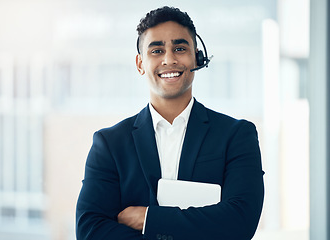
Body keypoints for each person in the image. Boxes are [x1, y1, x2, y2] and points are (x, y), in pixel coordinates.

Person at [76, 6, 264, 240]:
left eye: (179, 48)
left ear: (197, 56)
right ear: (140, 64)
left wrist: (148, 219)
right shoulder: (109, 144)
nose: (169, 59)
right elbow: (90, 230)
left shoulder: (237, 136)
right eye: (156, 50)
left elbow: (240, 222)